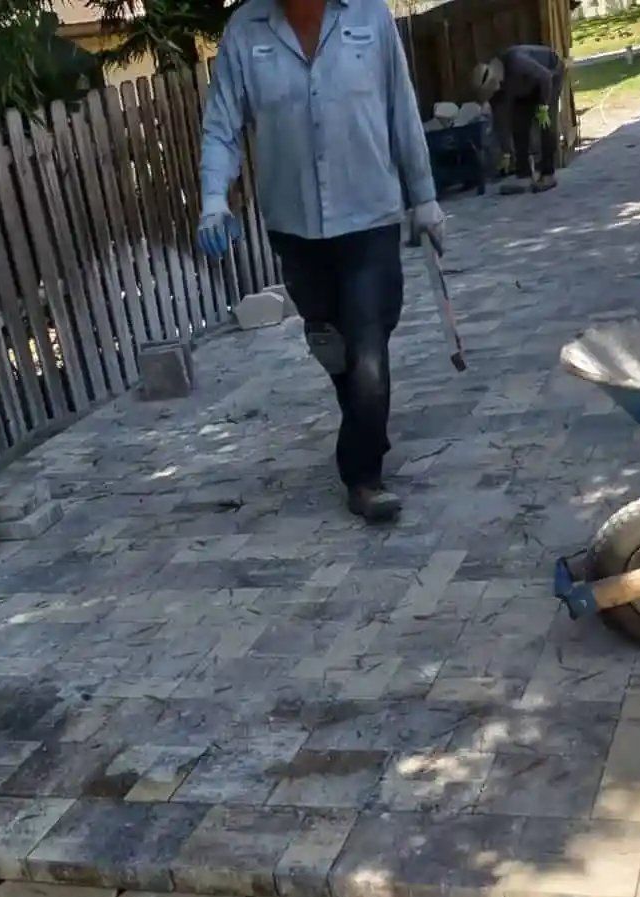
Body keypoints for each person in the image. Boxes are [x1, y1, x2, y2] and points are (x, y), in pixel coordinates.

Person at [198, 0, 444, 524]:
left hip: (370, 216)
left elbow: (400, 107)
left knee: (369, 348)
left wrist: (424, 198)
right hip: (295, 228)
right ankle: (363, 423)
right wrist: (213, 200)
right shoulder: (246, 31)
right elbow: (221, 125)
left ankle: (362, 476)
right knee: (338, 350)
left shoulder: (370, 18)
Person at [471, 45, 563, 195]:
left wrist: (544, 106)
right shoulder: (496, 90)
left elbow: (545, 76)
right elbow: (500, 121)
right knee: (518, 124)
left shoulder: (517, 61)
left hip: (549, 76)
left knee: (544, 122)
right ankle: (524, 174)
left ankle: (548, 174)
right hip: (525, 86)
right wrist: (506, 151)